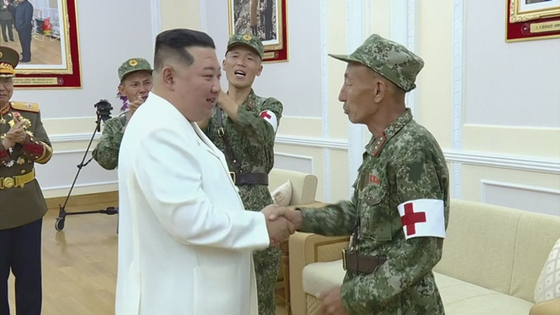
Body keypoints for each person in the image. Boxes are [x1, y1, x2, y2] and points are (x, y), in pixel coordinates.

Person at [115, 28, 294, 315]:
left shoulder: (178, 121)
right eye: (208, 76)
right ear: (170, 76)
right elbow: (190, 219)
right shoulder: (158, 132)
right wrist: (260, 226)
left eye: (216, 78)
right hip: (181, 298)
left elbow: (260, 134)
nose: (215, 87)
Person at [269, 34, 450, 314]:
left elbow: (422, 249)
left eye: (348, 83)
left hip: (402, 305)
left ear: (378, 91)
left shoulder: (413, 148)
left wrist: (353, 296)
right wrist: (301, 217)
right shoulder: (383, 145)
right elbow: (358, 214)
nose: (341, 94)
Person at [199, 33, 283, 315]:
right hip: (218, 205)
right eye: (235, 56)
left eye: (250, 58)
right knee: (221, 291)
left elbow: (262, 134)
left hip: (257, 207)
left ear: (259, 69)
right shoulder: (205, 108)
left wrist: (221, 97)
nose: (241, 62)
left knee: (261, 295)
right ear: (224, 63)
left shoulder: (268, 106)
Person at [0, 46, 53, 315]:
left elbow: (47, 154)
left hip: (27, 208)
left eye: (6, 80)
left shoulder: (27, 115)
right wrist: (6, 143)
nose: (2, 87)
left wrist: (26, 142)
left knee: (30, 278)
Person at [92, 57, 152, 170]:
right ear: (122, 90)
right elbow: (107, 162)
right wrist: (130, 122)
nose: (143, 89)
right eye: (135, 85)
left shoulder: (172, 114)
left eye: (147, 83)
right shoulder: (115, 124)